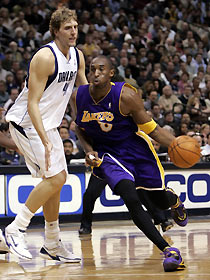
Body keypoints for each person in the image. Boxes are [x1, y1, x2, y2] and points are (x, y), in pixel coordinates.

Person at [70, 55, 188, 272]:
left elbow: (151, 128)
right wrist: (89, 150)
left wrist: (178, 144)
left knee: (159, 201)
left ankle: (173, 199)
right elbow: (78, 127)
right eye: (92, 69)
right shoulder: (78, 96)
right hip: (108, 155)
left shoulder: (126, 95)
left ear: (111, 73)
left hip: (136, 150)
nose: (95, 73)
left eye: (101, 69)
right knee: (131, 198)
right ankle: (169, 251)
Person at [0, 8, 87, 262]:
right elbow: (32, 104)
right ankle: (14, 230)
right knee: (57, 177)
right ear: (56, 31)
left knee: (57, 180)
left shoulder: (77, 56)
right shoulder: (44, 57)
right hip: (27, 123)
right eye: (68, 28)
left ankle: (52, 243)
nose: (74, 32)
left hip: (48, 125)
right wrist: (46, 140)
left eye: (76, 26)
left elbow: (83, 93)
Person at [79, 174, 173, 235]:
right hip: (103, 163)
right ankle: (85, 226)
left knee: (141, 190)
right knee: (90, 193)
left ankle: (161, 219)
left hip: (123, 164)